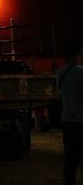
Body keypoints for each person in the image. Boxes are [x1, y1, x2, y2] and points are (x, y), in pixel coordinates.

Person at [57, 41, 83, 185]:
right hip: (81, 122)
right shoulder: (80, 71)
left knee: (70, 160)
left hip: (67, 121)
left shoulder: (60, 73)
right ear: (77, 55)